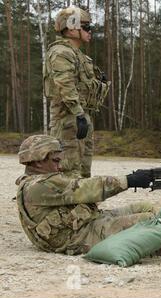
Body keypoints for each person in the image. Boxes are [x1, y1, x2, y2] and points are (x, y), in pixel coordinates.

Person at [15, 135, 161, 256]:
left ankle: (151, 239)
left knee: (146, 208)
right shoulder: (38, 186)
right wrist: (129, 180)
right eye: (55, 161)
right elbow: (86, 188)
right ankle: (157, 248)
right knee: (148, 222)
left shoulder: (38, 181)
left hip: (86, 223)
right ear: (38, 160)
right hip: (76, 237)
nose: (59, 167)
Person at [44, 6, 110, 178]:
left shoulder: (79, 55)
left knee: (83, 169)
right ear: (72, 28)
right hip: (68, 118)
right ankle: (67, 205)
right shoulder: (60, 52)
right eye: (86, 27)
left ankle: (84, 205)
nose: (90, 31)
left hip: (80, 117)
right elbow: (65, 85)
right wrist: (78, 113)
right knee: (68, 166)